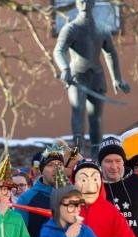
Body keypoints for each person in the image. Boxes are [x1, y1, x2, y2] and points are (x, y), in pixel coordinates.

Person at [53, 0, 130, 153]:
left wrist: (117, 78)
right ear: (76, 4)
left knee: (96, 117)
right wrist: (65, 68)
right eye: (81, 1)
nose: (84, 4)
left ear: (93, 3)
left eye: (88, 1)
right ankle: (76, 151)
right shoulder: (71, 29)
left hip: (96, 76)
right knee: (78, 111)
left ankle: (96, 151)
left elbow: (110, 53)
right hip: (77, 77)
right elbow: (59, 50)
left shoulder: (101, 29)